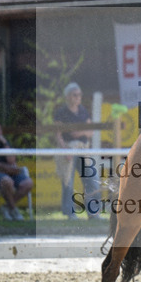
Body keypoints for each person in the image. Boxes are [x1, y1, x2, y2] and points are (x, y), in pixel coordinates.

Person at [53, 82, 100, 219]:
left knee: (92, 179)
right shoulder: (61, 113)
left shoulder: (83, 111)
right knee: (68, 182)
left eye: (79, 95)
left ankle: (94, 213)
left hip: (83, 148)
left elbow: (90, 131)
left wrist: (78, 133)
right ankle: (70, 213)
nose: (78, 97)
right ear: (68, 96)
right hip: (68, 148)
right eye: (75, 95)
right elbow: (58, 134)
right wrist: (64, 150)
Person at [0, 118, 34, 221]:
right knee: (7, 181)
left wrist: (5, 143)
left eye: (0, 130)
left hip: (9, 172)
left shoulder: (4, 145)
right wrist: (5, 167)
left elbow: (12, 160)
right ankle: (14, 210)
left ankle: (6, 207)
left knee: (28, 183)